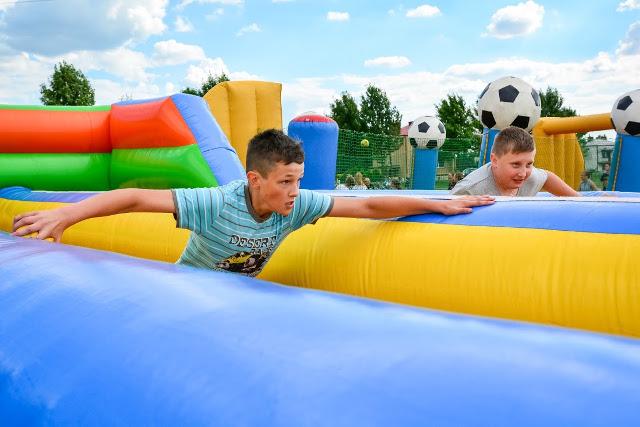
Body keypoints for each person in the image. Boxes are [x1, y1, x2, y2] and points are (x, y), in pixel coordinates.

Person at [12, 129, 494, 277]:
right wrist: (66, 213)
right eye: (285, 181)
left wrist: (435, 205)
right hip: (191, 288)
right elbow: (136, 196)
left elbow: (366, 208)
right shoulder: (215, 203)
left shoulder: (297, 205)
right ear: (254, 180)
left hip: (241, 296)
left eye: (298, 180)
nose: (295, 191)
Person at [450, 126, 579, 197]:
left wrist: (579, 201)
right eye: (515, 164)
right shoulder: (470, 190)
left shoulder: (530, 178)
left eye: (529, 164)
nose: (523, 173)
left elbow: (547, 178)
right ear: (495, 160)